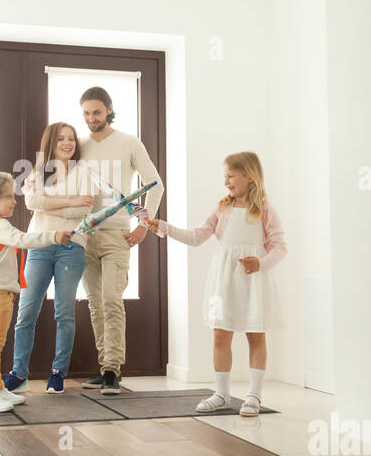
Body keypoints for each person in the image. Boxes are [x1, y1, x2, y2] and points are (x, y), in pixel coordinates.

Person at [147, 151, 286, 416]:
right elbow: (197, 236)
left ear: (249, 176)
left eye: (231, 176)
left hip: (252, 280)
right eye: (225, 177)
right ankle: (221, 394)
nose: (226, 182)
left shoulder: (265, 210)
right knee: (220, 334)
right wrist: (164, 226)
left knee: (256, 335)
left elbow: (280, 246)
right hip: (223, 280)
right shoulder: (222, 207)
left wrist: (261, 264)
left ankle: (254, 396)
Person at [77, 86, 163, 395]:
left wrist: (144, 225)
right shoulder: (79, 146)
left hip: (117, 235)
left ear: (109, 109)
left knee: (112, 300)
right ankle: (104, 368)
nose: (91, 119)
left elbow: (155, 186)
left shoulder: (129, 143)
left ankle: (114, 370)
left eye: (97, 112)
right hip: (85, 236)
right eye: (86, 113)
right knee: (95, 304)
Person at [4, 122, 93, 395]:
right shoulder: (38, 173)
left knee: (64, 312)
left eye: (71, 139)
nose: (67, 144)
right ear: (51, 143)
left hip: (72, 246)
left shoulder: (84, 173)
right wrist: (71, 202)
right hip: (40, 244)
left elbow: (86, 208)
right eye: (61, 139)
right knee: (26, 312)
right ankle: (19, 373)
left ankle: (58, 373)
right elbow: (32, 203)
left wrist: (60, 206)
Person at [0, 172, 72, 412]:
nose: (14, 200)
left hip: (2, 291)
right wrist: (53, 236)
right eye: (8, 197)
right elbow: (23, 239)